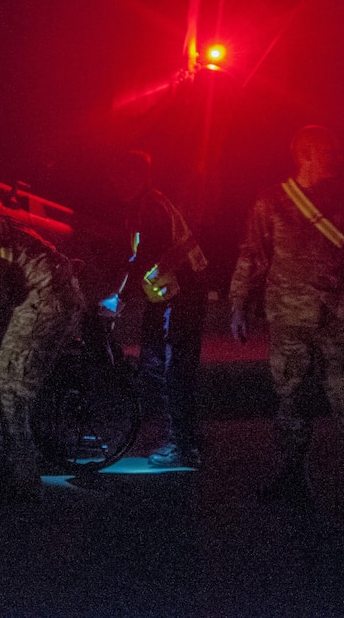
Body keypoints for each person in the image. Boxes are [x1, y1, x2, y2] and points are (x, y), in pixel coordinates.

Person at [229, 125, 344, 514]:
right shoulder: (270, 202)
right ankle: (291, 478)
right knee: (292, 398)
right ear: (305, 155)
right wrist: (238, 303)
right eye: (330, 151)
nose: (338, 158)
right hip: (289, 322)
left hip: (339, 319)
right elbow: (252, 254)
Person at [0, 207, 85, 501]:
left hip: (43, 303)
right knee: (11, 384)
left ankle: (22, 481)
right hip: (52, 297)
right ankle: (16, 468)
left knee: (10, 389)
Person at [100, 150, 209, 469]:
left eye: (121, 176)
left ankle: (184, 446)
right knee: (152, 362)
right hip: (170, 296)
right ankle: (181, 437)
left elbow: (146, 258)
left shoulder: (151, 209)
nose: (115, 184)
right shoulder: (145, 206)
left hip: (182, 296)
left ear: (137, 177)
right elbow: (138, 259)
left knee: (175, 371)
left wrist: (118, 299)